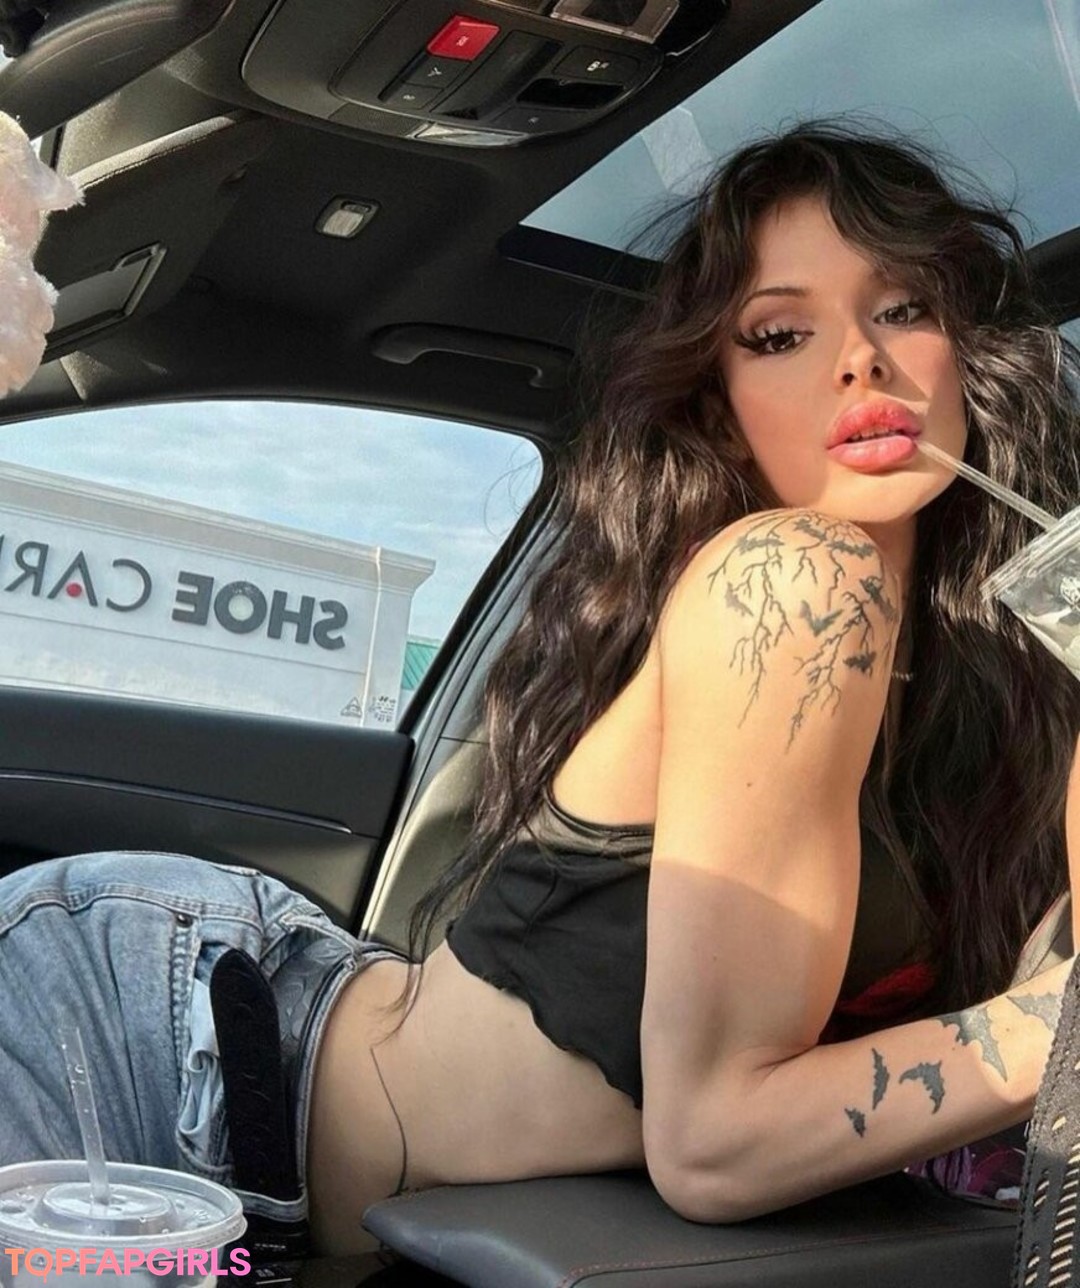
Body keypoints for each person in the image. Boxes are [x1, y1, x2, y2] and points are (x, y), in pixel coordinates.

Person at [4, 117, 1080, 1259]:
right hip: (148, 1033)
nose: (859, 358)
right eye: (779, 334)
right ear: (720, 410)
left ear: (970, 360)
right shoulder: (793, 579)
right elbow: (716, 1142)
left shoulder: (991, 691)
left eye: (904, 309)